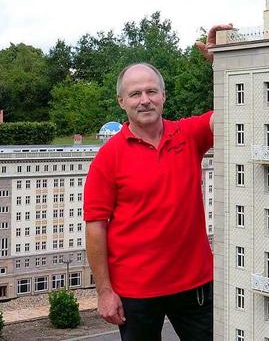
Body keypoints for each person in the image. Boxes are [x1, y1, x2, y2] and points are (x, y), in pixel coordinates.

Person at [83, 25, 232, 341]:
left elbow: (235, 112)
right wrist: (104, 291)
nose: (145, 100)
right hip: (136, 292)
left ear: (163, 96)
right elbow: (96, 226)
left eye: (151, 91)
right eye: (135, 94)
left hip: (195, 284)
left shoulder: (188, 135)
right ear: (121, 101)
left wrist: (222, 62)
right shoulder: (108, 157)